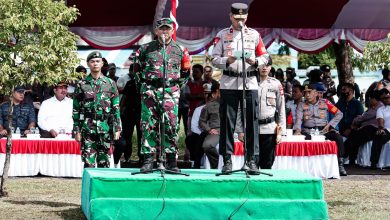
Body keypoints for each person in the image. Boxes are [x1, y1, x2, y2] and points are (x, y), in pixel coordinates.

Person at [211, 3, 269, 174]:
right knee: (227, 123)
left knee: (251, 122)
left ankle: (251, 160)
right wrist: (225, 60)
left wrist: (256, 61)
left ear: (247, 17)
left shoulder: (254, 35)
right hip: (229, 81)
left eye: (243, 18)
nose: (240, 22)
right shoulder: (222, 35)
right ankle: (227, 160)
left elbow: (265, 55)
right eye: (237, 18)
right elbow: (213, 58)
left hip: (249, 82)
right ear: (230, 16)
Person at [134, 18, 191, 173]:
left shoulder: (180, 49)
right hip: (150, 91)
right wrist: (144, 88)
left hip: (170, 92)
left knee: (171, 126)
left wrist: (176, 88)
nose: (165, 32)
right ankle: (148, 160)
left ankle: (171, 161)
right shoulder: (145, 49)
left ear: (172, 31)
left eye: (167, 29)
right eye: (162, 29)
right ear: (156, 31)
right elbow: (136, 70)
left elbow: (186, 72)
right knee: (148, 125)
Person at [73, 51, 122, 168]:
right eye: (92, 61)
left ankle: (101, 187)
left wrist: (117, 128)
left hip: (105, 129)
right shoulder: (82, 84)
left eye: (98, 61)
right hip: (87, 129)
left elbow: (116, 108)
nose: (95, 64)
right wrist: (77, 130)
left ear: (102, 64)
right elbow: (76, 109)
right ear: (88, 64)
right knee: (88, 164)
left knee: (104, 164)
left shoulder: (110, 83)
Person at [293, 84, 347, 176]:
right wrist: (297, 131)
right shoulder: (301, 105)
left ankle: (340, 165)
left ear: (316, 93)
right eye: (305, 93)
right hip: (308, 131)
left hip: (324, 131)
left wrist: (330, 125)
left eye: (309, 92)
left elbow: (339, 114)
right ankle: (308, 168)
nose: (307, 95)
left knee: (338, 138)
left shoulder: (326, 102)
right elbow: (298, 120)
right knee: (303, 139)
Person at [255, 57, 286, 169]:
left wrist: (280, 132)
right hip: (252, 128)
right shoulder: (250, 82)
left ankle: (264, 187)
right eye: (262, 65)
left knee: (267, 164)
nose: (264, 67)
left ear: (270, 68)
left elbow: (281, 108)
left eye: (267, 65)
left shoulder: (276, 84)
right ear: (257, 65)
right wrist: (240, 130)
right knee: (252, 164)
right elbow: (241, 108)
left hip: (269, 129)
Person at [344, 91, 383, 164]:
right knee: (353, 136)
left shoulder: (379, 107)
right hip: (367, 127)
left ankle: (343, 155)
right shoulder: (374, 107)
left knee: (354, 139)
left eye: (370, 99)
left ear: (374, 99)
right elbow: (364, 116)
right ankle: (351, 158)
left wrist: (356, 119)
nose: (369, 101)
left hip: (372, 129)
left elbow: (365, 117)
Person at [199, 82, 221, 169]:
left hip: (231, 130)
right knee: (207, 145)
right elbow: (201, 122)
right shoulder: (208, 106)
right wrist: (209, 130)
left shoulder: (233, 104)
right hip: (216, 131)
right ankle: (217, 165)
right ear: (214, 94)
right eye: (219, 91)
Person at [371, 91, 390, 169]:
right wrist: (381, 128)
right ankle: (374, 162)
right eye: (383, 99)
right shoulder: (381, 109)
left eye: (387, 98)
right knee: (378, 135)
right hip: (388, 130)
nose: (385, 100)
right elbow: (380, 121)